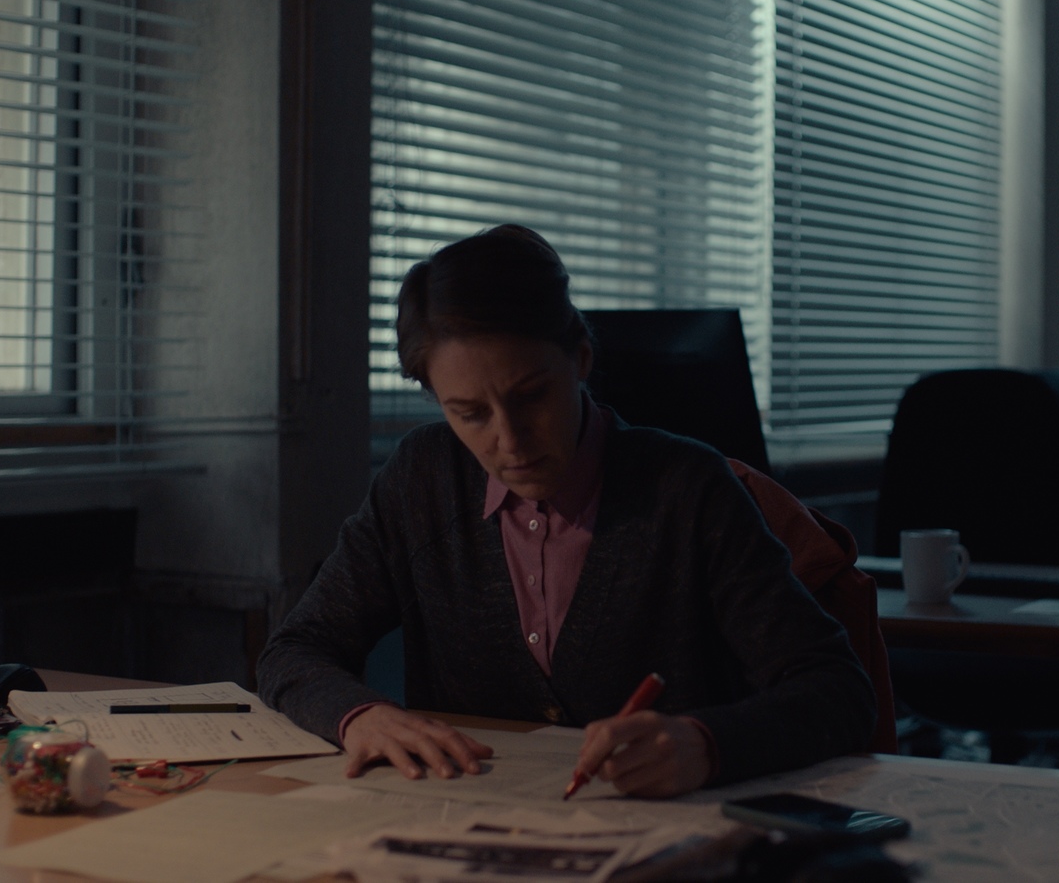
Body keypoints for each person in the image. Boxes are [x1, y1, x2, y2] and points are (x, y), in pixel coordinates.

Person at [257, 224, 875, 798]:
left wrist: (708, 743)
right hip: (470, 828)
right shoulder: (423, 479)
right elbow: (294, 649)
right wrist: (360, 716)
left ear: (579, 360)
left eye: (531, 396)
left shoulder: (686, 490)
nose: (511, 440)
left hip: (663, 838)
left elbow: (838, 692)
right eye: (470, 413)